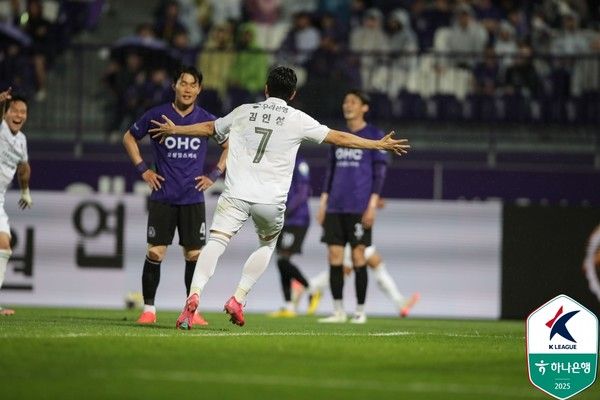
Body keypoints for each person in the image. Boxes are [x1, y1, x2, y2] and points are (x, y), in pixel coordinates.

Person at [149, 66, 410, 329]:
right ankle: (238, 298)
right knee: (266, 245)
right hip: (270, 201)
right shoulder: (297, 119)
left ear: (266, 89)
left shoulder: (243, 111)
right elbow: (338, 137)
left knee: (216, 242)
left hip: (236, 194)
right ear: (293, 94)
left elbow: (208, 127)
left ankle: (194, 294)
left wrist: (176, 130)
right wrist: (377, 144)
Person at [122, 66, 228, 325]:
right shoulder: (157, 115)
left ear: (199, 89)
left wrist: (214, 174)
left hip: (192, 198)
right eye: (183, 83)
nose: (187, 89)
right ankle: (149, 310)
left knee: (193, 256)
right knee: (155, 253)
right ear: (174, 86)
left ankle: (192, 311)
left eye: (193, 84)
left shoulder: (206, 120)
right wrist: (143, 170)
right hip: (163, 196)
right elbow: (129, 138)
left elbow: (229, 145)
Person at [316, 90, 387, 324]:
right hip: (335, 206)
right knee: (334, 256)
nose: (347, 105)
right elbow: (330, 172)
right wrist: (323, 204)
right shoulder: (338, 136)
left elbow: (379, 174)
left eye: (353, 102)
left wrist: (372, 206)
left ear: (364, 107)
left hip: (359, 207)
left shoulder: (374, 135)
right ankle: (338, 311)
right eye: (346, 101)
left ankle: (360, 311)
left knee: (358, 256)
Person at [307, 243, 420, 318]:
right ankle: (310, 286)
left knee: (377, 265)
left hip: (359, 232)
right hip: (350, 233)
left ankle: (400, 302)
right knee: (344, 271)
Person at [268, 156, 320, 318]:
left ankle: (311, 289)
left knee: (282, 261)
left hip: (297, 219)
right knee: (281, 261)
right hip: (285, 220)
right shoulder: (280, 162)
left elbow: (303, 192)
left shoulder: (300, 163)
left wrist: (286, 211)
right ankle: (289, 306)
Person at [0, 88, 33, 316]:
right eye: (15, 110)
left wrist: (25, 191)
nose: (19, 115)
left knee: (4, 246)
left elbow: (23, 168)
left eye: (23, 112)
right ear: (6, 113)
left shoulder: (21, 140)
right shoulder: (1, 127)